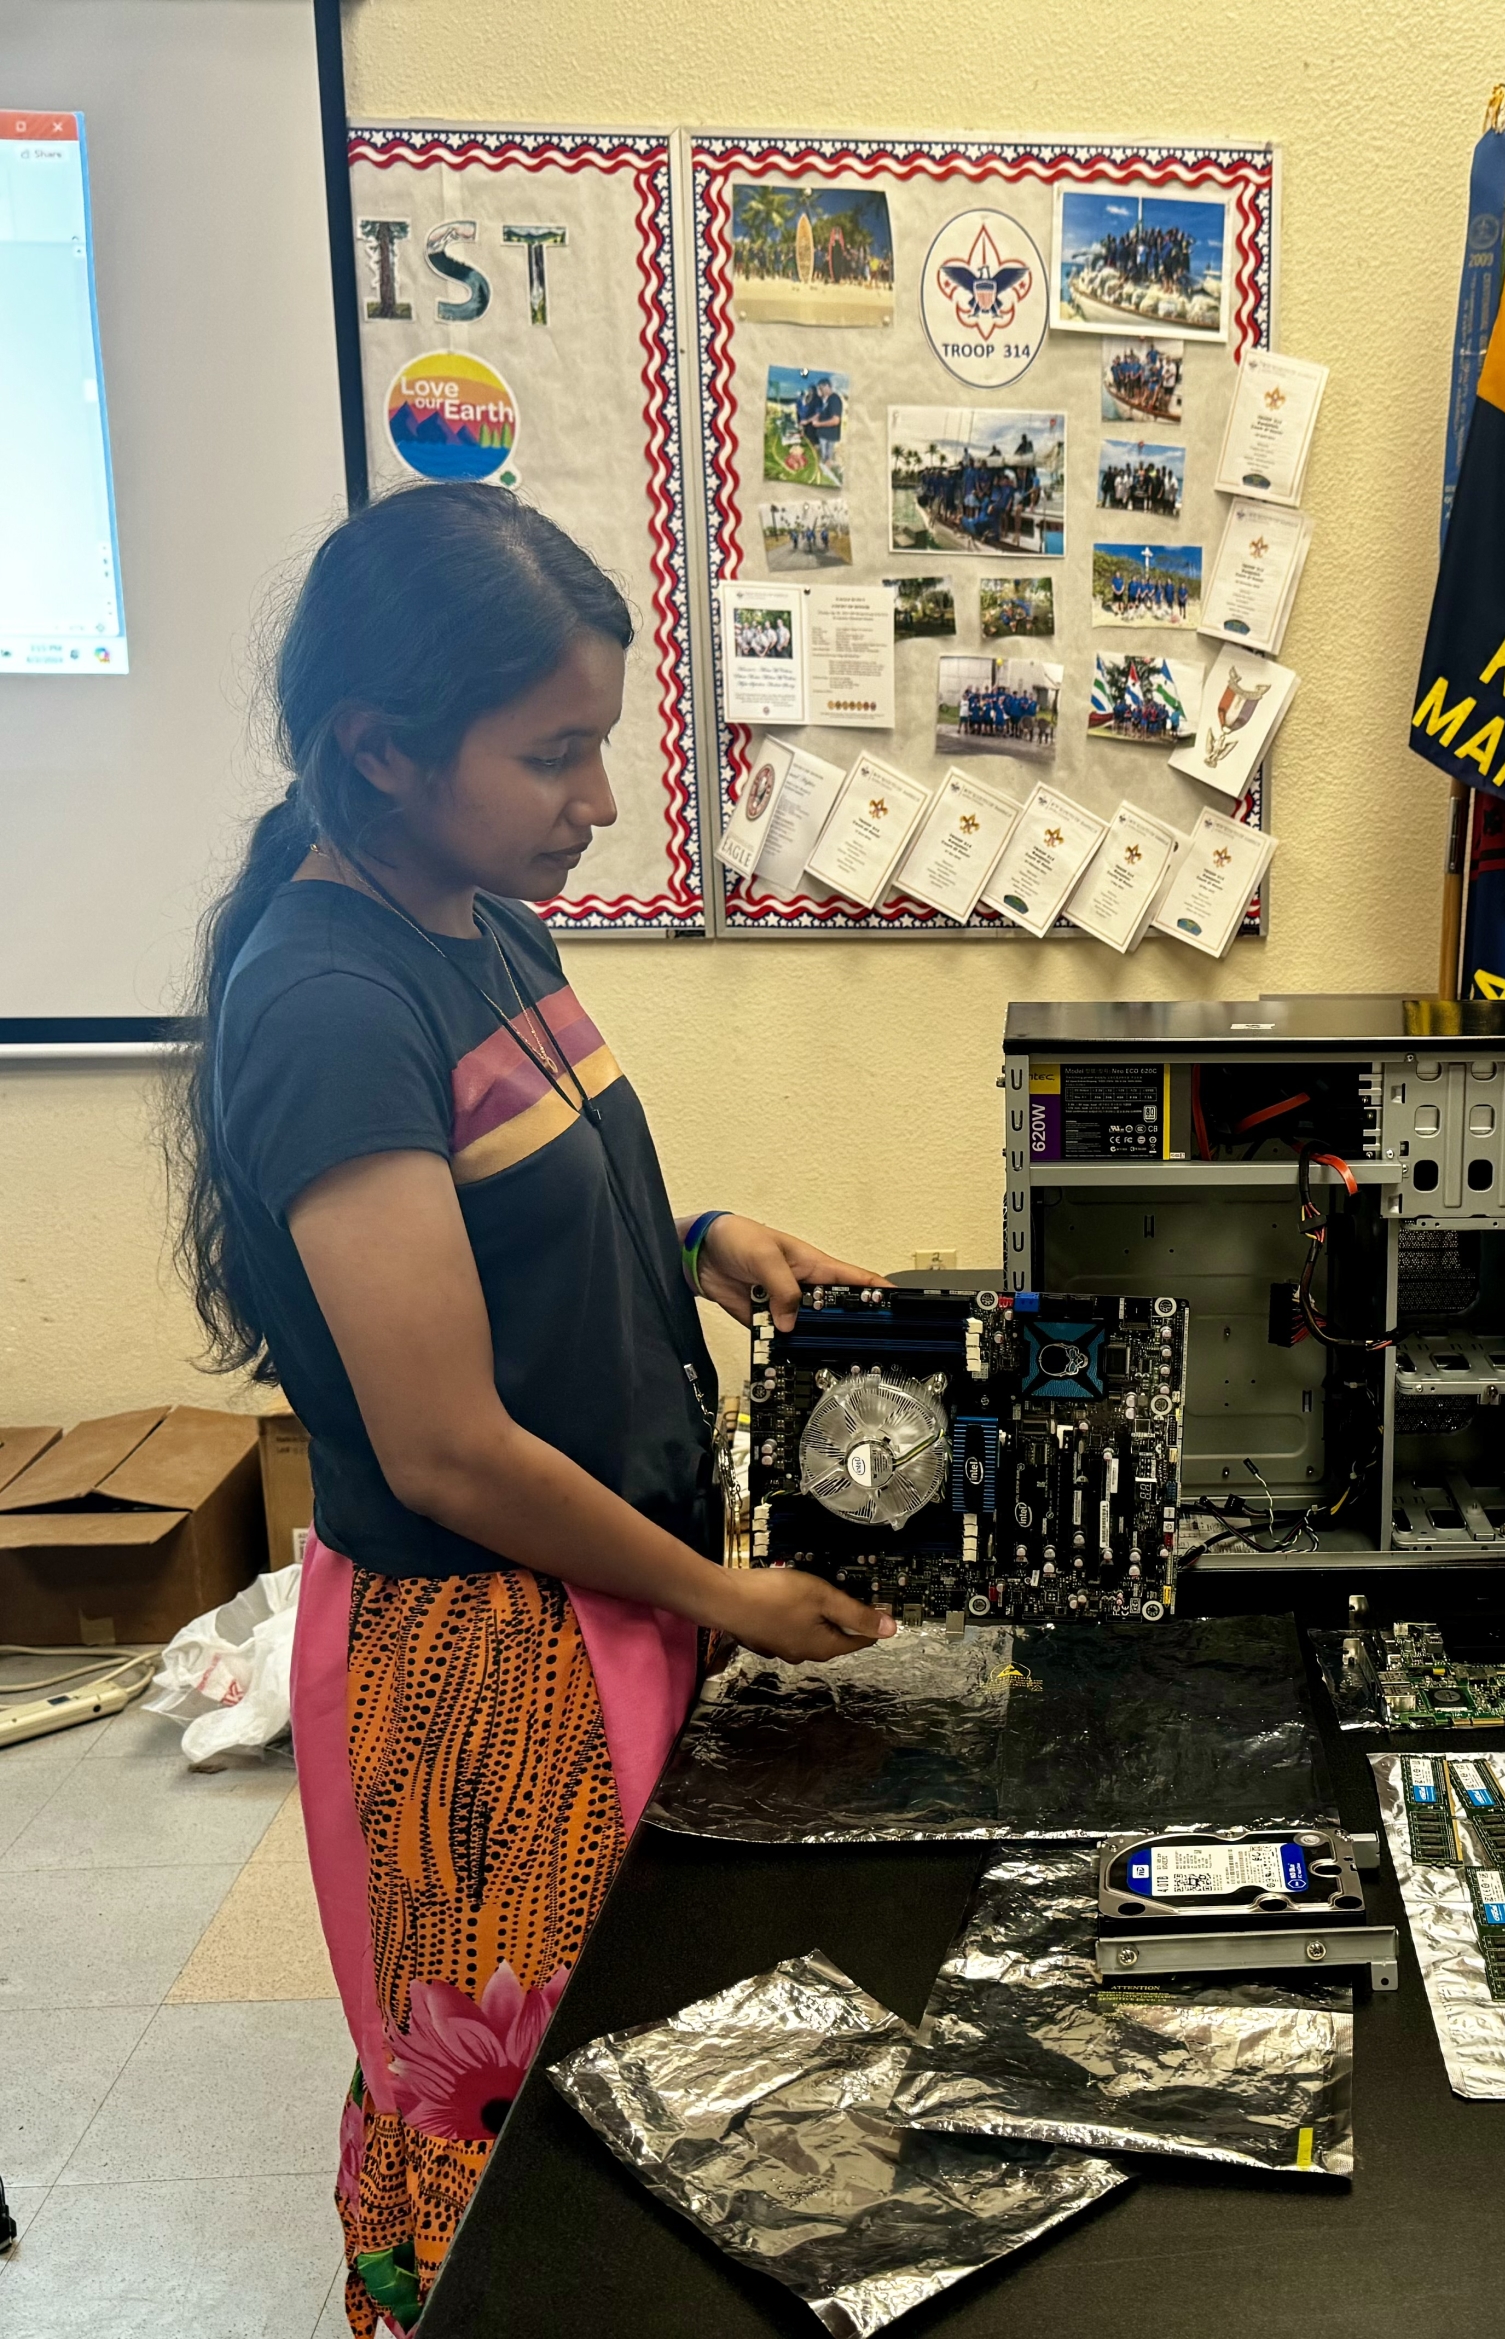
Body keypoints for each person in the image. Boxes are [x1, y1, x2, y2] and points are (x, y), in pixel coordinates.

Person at [168, 481, 896, 2336]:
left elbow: (510, 1195)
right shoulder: (328, 1001)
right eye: (554, 755)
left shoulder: (478, 917)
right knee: (529, 2138)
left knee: (648, 2063)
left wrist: (698, 1233)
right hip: (485, 1657)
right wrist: (730, 1600)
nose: (600, 803)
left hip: (609, 1598)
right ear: (384, 749)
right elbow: (443, 1443)